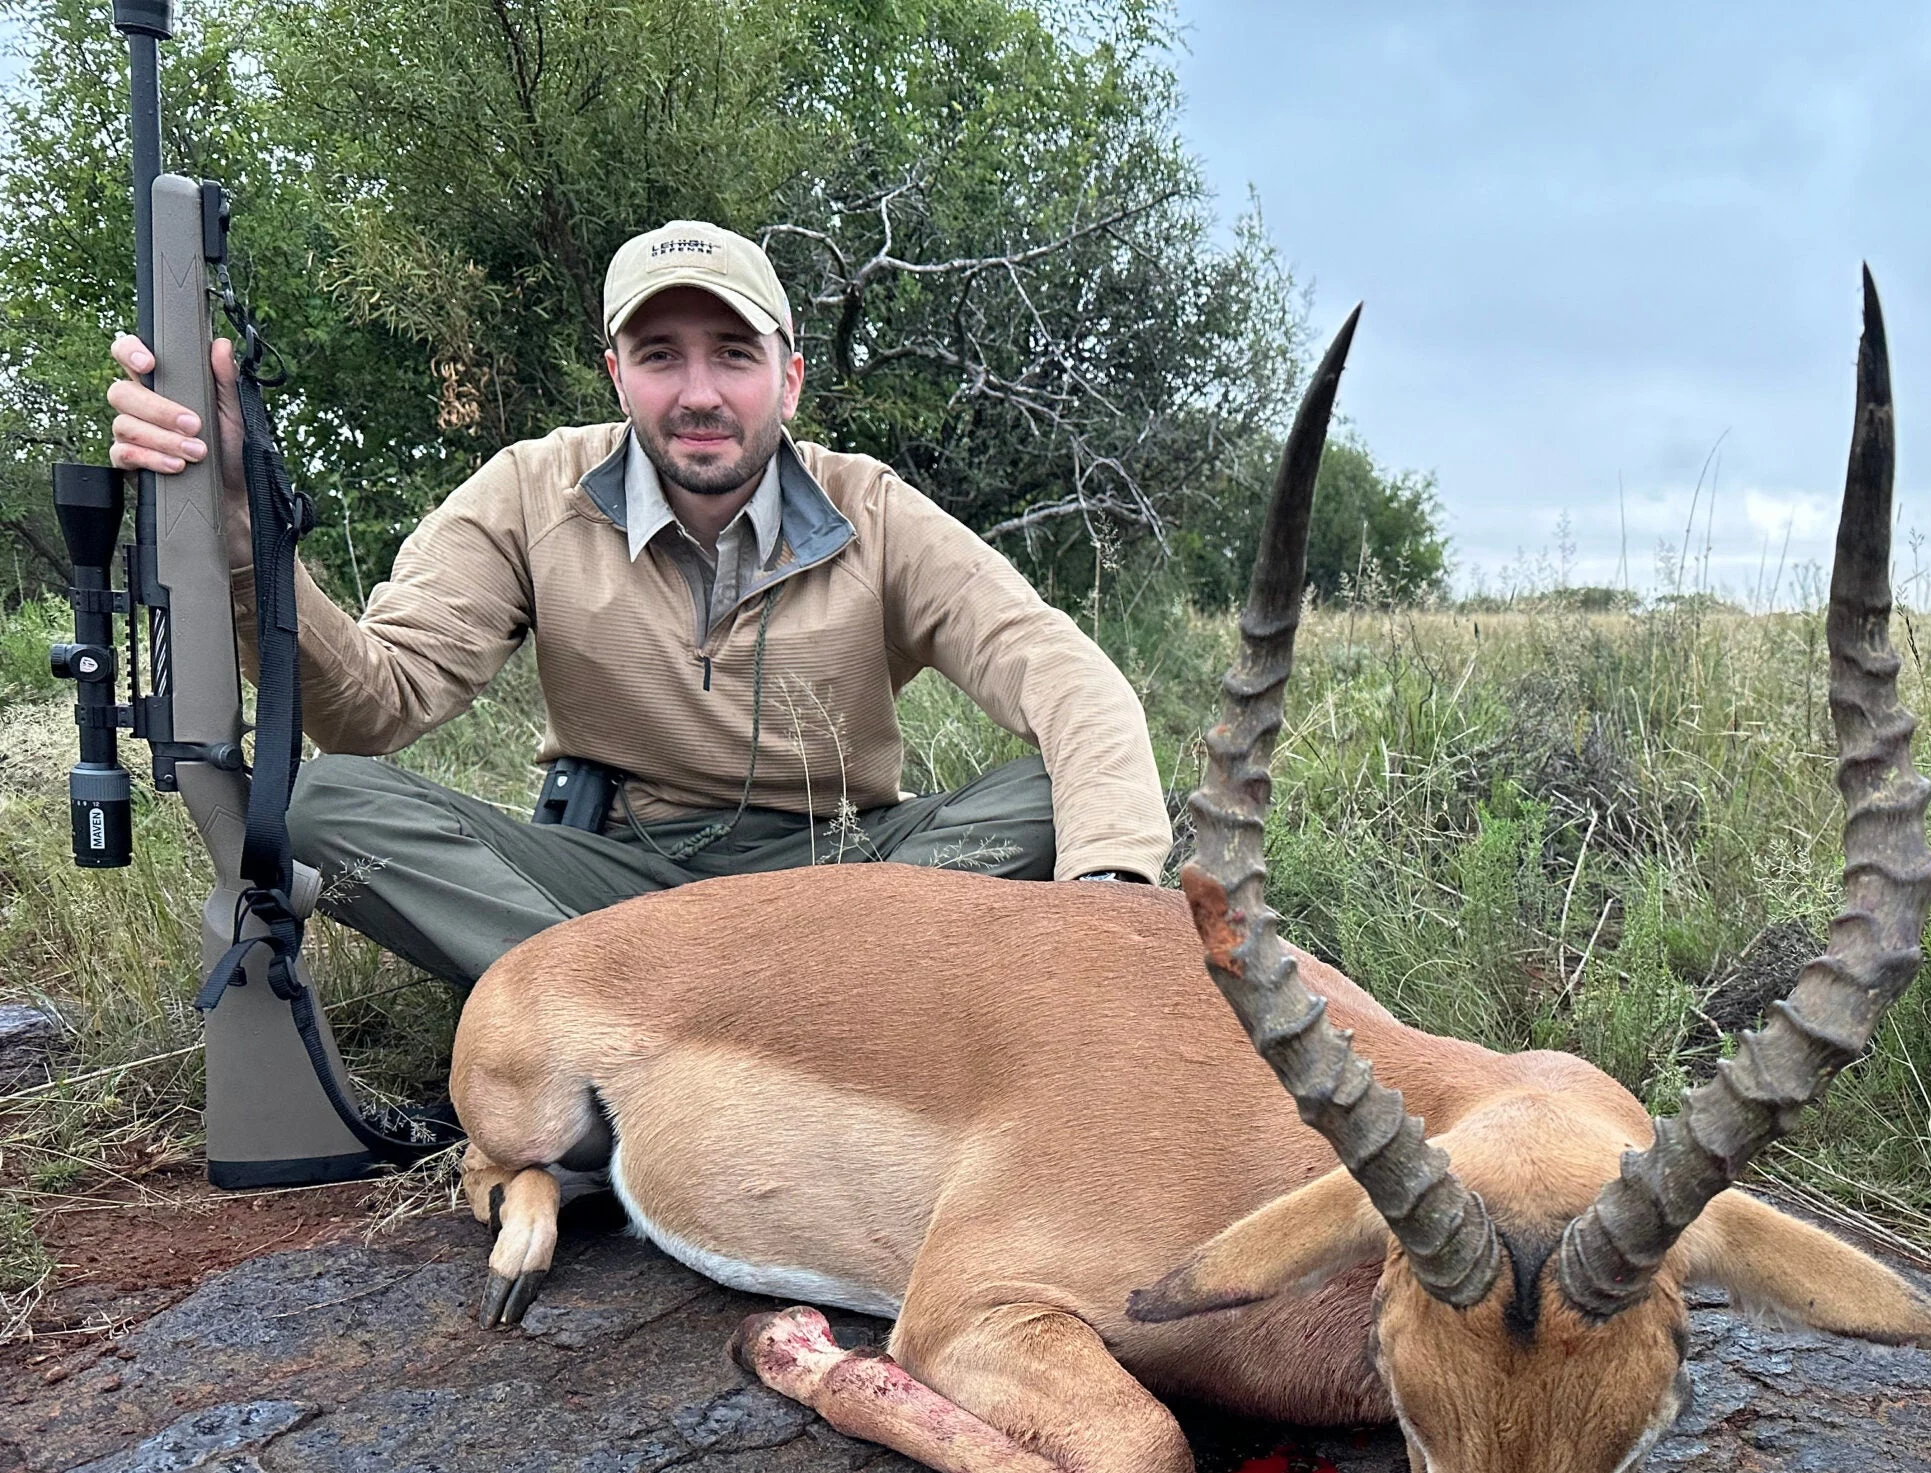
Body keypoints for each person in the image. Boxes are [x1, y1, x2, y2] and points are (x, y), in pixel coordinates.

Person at [105, 219, 1170, 986]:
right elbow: (370, 708)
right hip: (615, 883)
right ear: (617, 374)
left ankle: (652, 1027)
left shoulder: (873, 509)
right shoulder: (529, 490)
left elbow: (1059, 670)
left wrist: (1109, 892)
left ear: (789, 380)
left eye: (734, 355)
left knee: (1057, 800)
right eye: (661, 356)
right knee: (329, 800)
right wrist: (247, 533)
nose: (699, 392)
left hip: (850, 876)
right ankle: (641, 1012)